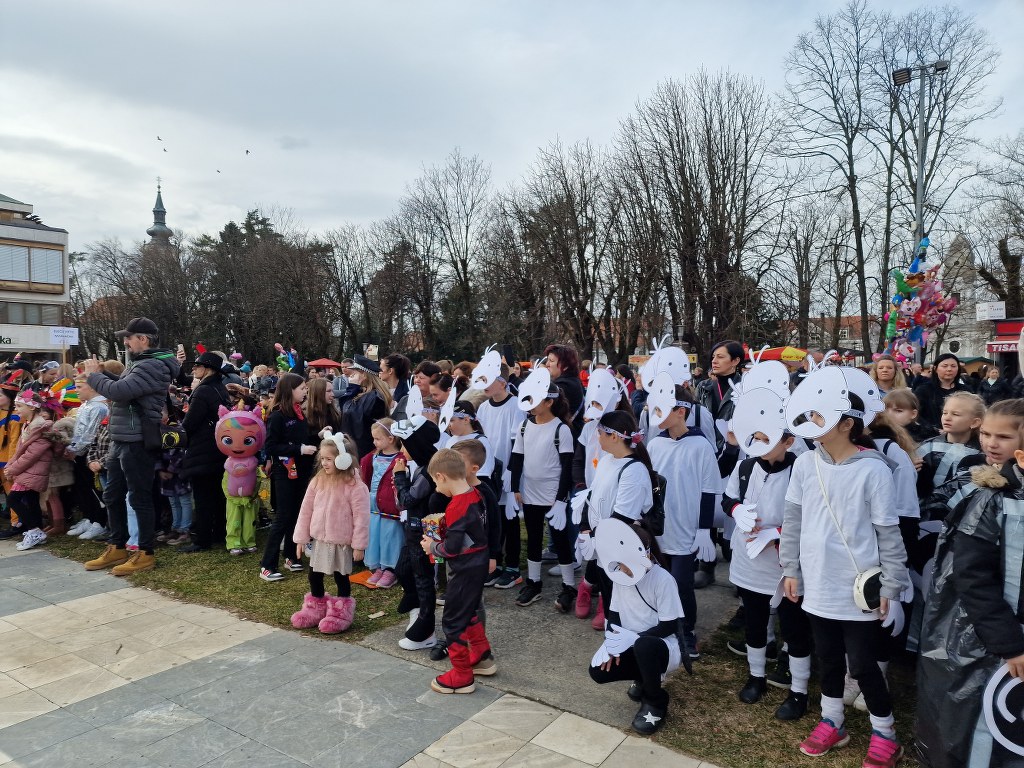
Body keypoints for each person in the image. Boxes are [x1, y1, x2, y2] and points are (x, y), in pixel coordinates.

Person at [780, 391, 910, 767]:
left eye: (820, 417)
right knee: (829, 657)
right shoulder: (804, 464)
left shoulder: (874, 470)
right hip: (817, 582)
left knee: (864, 665)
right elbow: (793, 520)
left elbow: (889, 533)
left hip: (857, 588)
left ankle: (885, 734)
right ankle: (832, 721)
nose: (811, 424)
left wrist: (892, 587)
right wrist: (791, 568)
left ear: (847, 424)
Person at [915, 400, 1024, 768]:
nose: (991, 443)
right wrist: (1009, 643)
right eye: (987, 434)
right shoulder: (991, 499)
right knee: (981, 728)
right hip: (991, 637)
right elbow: (972, 578)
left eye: (1003, 436)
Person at [81, 317, 180, 575]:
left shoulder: (152, 365)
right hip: (123, 438)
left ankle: (145, 552)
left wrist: (94, 376)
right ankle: (118, 545)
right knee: (113, 494)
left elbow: (120, 392)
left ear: (143, 339)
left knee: (139, 497)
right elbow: (126, 385)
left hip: (136, 440)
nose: (125, 342)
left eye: (129, 337)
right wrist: (104, 373)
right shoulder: (143, 363)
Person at [588, 519, 684, 735]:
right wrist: (612, 644)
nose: (622, 568)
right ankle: (644, 677)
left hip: (661, 647)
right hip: (633, 643)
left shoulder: (663, 580)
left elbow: (669, 625)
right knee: (597, 671)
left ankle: (655, 701)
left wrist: (633, 639)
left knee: (644, 646)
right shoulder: (619, 576)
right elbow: (614, 615)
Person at [647, 383, 721, 660]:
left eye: (662, 409)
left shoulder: (701, 446)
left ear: (681, 411)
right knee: (657, 581)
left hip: (686, 530)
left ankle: (686, 630)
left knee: (681, 584)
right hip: (658, 530)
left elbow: (708, 491)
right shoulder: (655, 444)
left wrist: (704, 530)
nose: (656, 415)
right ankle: (663, 624)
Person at [576, 410, 655, 630]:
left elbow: (623, 517)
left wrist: (594, 536)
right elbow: (591, 496)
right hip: (603, 546)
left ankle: (619, 638)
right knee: (609, 595)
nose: (597, 437)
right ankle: (612, 637)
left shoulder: (634, 470)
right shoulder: (606, 461)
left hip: (620, 550)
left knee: (621, 604)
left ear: (614, 436)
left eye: (600, 432)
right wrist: (585, 528)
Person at [420, 448, 489, 694]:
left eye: (435, 483)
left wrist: (432, 546)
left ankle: (462, 675)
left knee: (452, 620)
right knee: (467, 611)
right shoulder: (476, 494)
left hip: (465, 569)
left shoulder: (456, 506)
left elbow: (451, 548)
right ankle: (481, 652)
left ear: (441, 476)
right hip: (478, 564)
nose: (437, 489)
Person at [289, 434, 369, 634]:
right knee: (314, 575)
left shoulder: (355, 485)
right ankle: (315, 608)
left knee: (341, 576)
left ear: (343, 459)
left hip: (341, 541)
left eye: (329, 459)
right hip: (320, 540)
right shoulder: (318, 481)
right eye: (322, 458)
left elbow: (361, 517)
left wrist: (359, 545)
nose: (324, 463)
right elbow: (306, 509)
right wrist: (301, 538)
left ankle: (341, 612)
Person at [510, 384, 575, 609]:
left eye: (535, 399)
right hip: (530, 493)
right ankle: (534, 582)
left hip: (553, 495)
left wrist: (561, 499)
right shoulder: (524, 426)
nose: (530, 404)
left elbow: (567, 467)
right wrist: (514, 489)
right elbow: (517, 458)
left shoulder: (561, 429)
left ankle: (569, 586)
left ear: (549, 402)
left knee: (561, 540)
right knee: (534, 538)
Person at [258, 373, 319, 582]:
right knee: (283, 516)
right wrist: (299, 449)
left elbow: (301, 438)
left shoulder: (298, 412)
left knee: (296, 513)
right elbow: (271, 446)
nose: (305, 391)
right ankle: (267, 565)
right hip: (285, 471)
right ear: (289, 390)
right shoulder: (277, 416)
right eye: (301, 388)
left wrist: (317, 437)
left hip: (301, 470)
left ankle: (291, 556)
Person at [694, 340, 745, 587]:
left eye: (721, 357)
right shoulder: (703, 387)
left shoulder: (745, 389)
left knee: (735, 506)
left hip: (737, 453)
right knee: (707, 501)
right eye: (713, 356)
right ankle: (706, 564)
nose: (714, 361)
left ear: (735, 361)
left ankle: (738, 570)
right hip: (707, 452)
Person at [392, 415, 444, 650]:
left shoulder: (428, 470)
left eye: (405, 444)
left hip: (425, 533)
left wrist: (399, 476)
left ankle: (425, 629)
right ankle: (415, 606)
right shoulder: (423, 465)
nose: (402, 450)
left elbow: (408, 500)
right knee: (403, 569)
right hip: (413, 529)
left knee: (424, 579)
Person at [449, 438, 499, 677]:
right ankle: (465, 642)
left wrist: (493, 555)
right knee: (461, 601)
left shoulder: (484, 492)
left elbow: (495, 526)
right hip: (458, 557)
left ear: (474, 468)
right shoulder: (455, 491)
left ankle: (478, 649)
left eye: (459, 463)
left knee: (474, 602)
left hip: (477, 558)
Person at [476, 363, 526, 589]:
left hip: (508, 471)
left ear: (502, 382)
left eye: (489, 379)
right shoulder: (483, 408)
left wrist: (511, 471)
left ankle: (513, 567)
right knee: (492, 521)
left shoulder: (516, 406)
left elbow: (518, 442)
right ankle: (494, 565)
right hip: (488, 472)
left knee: (510, 520)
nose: (484, 384)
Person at [179, 351, 231, 553]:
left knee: (202, 497)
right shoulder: (220, 388)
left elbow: (190, 422)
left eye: (197, 365)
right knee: (217, 494)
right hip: (217, 448)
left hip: (202, 448)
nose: (194, 368)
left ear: (208, 369)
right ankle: (219, 533)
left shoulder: (203, 391)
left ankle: (202, 539)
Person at [6, 390, 61, 550]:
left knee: (13, 500)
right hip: (29, 470)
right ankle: (38, 531)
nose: (16, 409)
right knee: (31, 500)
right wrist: (11, 464)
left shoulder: (40, 427)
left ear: (31, 407)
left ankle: (33, 530)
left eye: (19, 406)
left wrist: (12, 469)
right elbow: (20, 450)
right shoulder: (30, 424)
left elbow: (31, 455)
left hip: (32, 470)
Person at [360, 419, 404, 589]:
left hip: (390, 507)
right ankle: (379, 566)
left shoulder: (400, 459)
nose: (374, 442)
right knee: (376, 535)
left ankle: (391, 569)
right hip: (374, 504)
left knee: (390, 536)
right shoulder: (374, 456)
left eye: (378, 439)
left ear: (391, 439)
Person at [65, 375, 110, 539]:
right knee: (83, 488)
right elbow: (80, 430)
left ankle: (99, 521)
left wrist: (75, 449)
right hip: (79, 452)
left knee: (94, 489)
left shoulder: (99, 407)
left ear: (91, 387)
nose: (75, 391)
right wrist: (72, 447)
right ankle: (90, 517)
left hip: (91, 454)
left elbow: (91, 434)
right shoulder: (86, 404)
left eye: (79, 387)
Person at [341, 355, 392, 459]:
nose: (351, 375)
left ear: (364, 375)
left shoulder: (375, 397)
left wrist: (352, 387)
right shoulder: (364, 393)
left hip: (364, 450)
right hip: (357, 448)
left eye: (355, 372)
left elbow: (348, 412)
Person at [914, 353, 970, 433]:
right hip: (930, 435)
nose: (949, 369)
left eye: (953, 366)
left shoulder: (966, 390)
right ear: (935, 369)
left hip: (959, 433)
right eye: (945, 366)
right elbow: (915, 414)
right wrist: (934, 429)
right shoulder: (923, 390)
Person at [544, 344, 585, 435]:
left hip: (565, 437)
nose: (547, 364)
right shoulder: (572, 381)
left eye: (551, 361)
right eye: (547, 360)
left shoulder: (564, 385)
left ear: (565, 366)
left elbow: (544, 410)